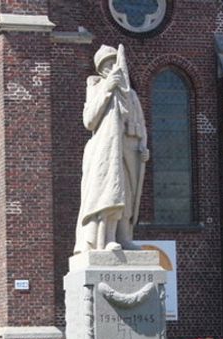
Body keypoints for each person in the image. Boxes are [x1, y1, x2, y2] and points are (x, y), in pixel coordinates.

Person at [74, 44, 150, 254]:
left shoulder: (131, 95)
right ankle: (106, 239)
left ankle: (124, 237)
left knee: (127, 195)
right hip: (105, 150)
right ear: (101, 70)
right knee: (109, 192)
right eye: (107, 65)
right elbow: (89, 121)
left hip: (128, 152)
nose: (112, 68)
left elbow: (140, 126)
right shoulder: (97, 88)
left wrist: (143, 148)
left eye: (114, 63)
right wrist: (107, 89)